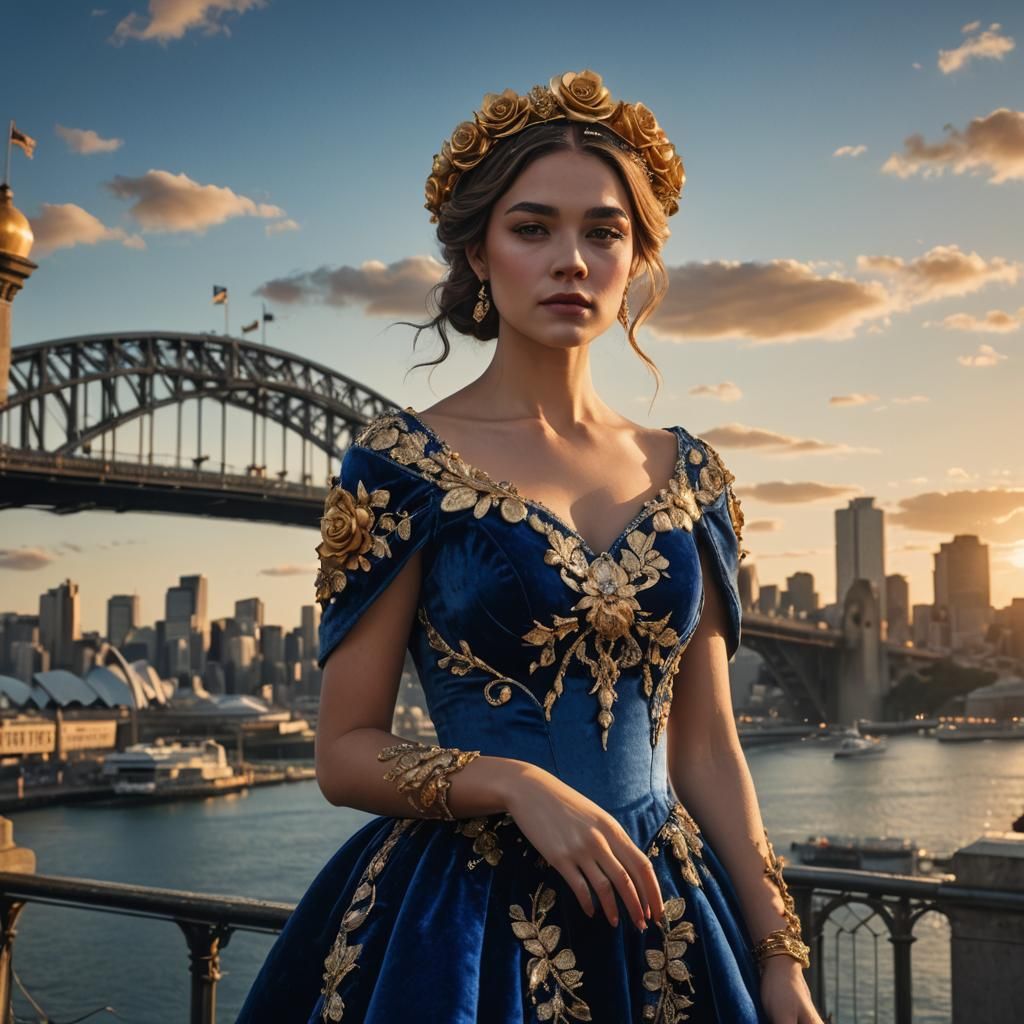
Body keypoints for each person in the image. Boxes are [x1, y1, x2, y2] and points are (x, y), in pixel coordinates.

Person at [237, 69, 823, 1024]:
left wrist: (779, 955)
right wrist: (512, 784)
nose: (571, 261)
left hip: (663, 916)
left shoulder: (693, 476)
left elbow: (709, 748)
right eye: (532, 227)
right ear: (478, 251)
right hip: (461, 932)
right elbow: (343, 753)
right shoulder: (399, 466)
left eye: (603, 232)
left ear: (636, 259)